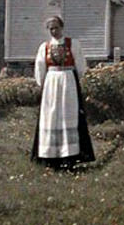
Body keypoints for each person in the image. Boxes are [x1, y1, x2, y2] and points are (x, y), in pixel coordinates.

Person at [31, 16, 95, 169]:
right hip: (51, 84)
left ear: (62, 27)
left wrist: (73, 79)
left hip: (68, 83)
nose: (54, 31)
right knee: (51, 116)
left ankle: (69, 156)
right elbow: (40, 69)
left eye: (56, 27)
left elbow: (80, 66)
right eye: (51, 28)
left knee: (68, 115)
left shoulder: (73, 44)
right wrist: (44, 84)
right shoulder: (44, 47)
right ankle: (51, 156)